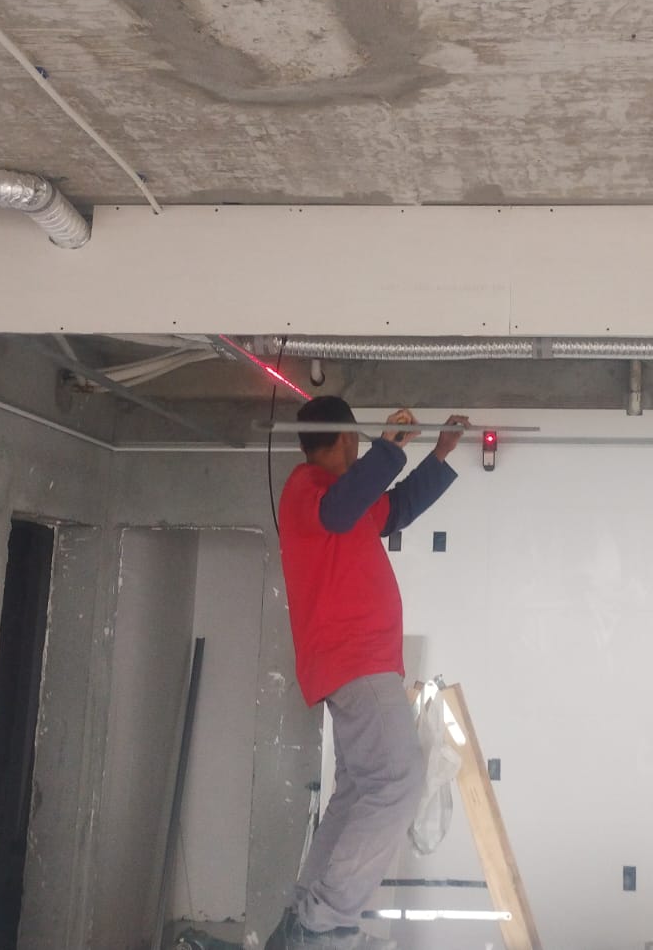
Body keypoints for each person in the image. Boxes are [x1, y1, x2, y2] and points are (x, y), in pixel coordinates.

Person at [265, 396, 470, 949]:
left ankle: (305, 914)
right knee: (397, 783)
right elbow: (341, 510)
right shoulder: (308, 490)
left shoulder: (343, 500)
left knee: (359, 791)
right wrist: (388, 449)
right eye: (357, 440)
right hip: (357, 660)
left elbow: (394, 510)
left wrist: (439, 455)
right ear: (347, 438)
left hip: (353, 664)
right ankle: (323, 922)